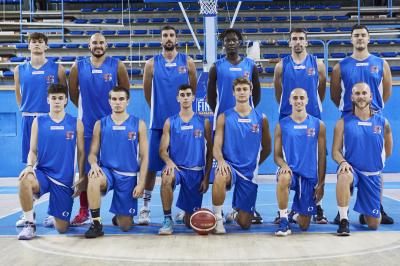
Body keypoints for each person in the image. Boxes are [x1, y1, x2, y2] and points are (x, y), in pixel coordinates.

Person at [330, 24, 393, 224]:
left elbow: (387, 93)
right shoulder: (341, 66)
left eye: (363, 35)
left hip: (372, 117)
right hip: (350, 118)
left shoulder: (381, 63)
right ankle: (343, 210)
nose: (359, 38)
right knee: (347, 164)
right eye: (356, 35)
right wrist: (349, 111)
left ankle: (376, 207)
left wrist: (373, 108)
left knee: (375, 166)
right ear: (351, 39)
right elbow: (334, 95)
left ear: (368, 39)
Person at [69, 33, 130, 226]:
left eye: (101, 42)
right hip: (87, 125)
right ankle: (84, 210)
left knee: (118, 167)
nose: (98, 45)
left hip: (112, 126)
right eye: (94, 42)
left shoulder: (117, 65)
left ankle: (119, 209)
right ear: (89, 46)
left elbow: (125, 92)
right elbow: (72, 93)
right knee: (87, 170)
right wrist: (85, 108)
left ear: (106, 44)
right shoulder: (78, 66)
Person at [141, 25, 197, 225]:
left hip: (182, 125)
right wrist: (158, 110)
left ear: (176, 38)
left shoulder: (187, 62)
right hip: (158, 123)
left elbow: (192, 88)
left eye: (171, 35)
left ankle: (183, 209)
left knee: (184, 167)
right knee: (150, 168)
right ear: (160, 39)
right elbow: (147, 91)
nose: (168, 38)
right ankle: (145, 208)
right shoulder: (151, 64)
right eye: (165, 35)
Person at [207, 28, 263, 224]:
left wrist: (247, 109)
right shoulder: (216, 66)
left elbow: (256, 95)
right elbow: (211, 97)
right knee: (221, 167)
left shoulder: (251, 65)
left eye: (234, 40)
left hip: (247, 123)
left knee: (249, 162)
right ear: (223, 44)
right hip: (225, 122)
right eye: (227, 41)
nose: (231, 43)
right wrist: (223, 115)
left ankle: (245, 207)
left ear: (240, 42)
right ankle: (218, 214)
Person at [273, 28, 328, 224]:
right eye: (294, 39)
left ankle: (317, 206)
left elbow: (321, 90)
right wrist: (291, 107)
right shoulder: (281, 65)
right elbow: (279, 93)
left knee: (314, 159)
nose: (297, 42)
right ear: (289, 43)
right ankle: (284, 210)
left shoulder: (318, 64)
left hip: (311, 114)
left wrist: (309, 107)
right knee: (287, 160)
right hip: (288, 115)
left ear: (306, 42)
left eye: (301, 39)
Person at [17, 84, 85, 240]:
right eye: (53, 98)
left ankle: (54, 215)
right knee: (24, 180)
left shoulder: (75, 123)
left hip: (64, 180)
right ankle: (30, 224)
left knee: (62, 228)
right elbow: (33, 150)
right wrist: (29, 166)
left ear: (66, 100)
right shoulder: (38, 122)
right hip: (44, 174)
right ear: (48, 100)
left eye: (60, 98)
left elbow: (81, 153)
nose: (57, 101)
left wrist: (81, 177)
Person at [14, 32, 67, 227]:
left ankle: (54, 212)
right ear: (28, 46)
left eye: (40, 42)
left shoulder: (57, 68)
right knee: (29, 164)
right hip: (29, 118)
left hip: (49, 120)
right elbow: (18, 94)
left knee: (53, 166)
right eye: (33, 42)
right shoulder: (20, 69)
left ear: (46, 46)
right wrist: (26, 110)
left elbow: (63, 94)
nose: (37, 45)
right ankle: (28, 212)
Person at [84, 86, 148, 238]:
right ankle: (96, 223)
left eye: (121, 99)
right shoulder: (100, 124)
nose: (117, 102)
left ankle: (120, 215)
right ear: (109, 101)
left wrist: (141, 183)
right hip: (107, 172)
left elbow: (144, 156)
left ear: (128, 101)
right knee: (93, 177)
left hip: (128, 175)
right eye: (114, 99)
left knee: (125, 226)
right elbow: (92, 154)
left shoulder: (138, 124)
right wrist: (93, 164)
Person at [332, 82, 392, 236]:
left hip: (371, 174)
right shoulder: (342, 122)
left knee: (373, 225)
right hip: (352, 170)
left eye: (364, 93)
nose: (361, 97)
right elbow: (335, 151)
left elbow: (388, 150)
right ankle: (344, 220)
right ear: (352, 97)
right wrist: (343, 162)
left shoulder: (383, 123)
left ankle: (365, 212)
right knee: (344, 176)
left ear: (371, 97)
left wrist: (376, 165)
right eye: (357, 94)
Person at [212, 78, 271, 234]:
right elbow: (216, 146)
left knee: (245, 224)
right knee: (219, 175)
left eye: (245, 89)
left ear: (251, 91)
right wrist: (220, 161)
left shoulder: (261, 118)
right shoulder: (224, 117)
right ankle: (217, 218)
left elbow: (267, 148)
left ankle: (235, 212)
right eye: (238, 89)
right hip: (229, 167)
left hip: (248, 173)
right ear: (233, 92)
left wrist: (256, 164)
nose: (242, 92)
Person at [158, 84, 212, 235]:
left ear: (193, 97)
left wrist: (206, 177)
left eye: (188, 94)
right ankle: (168, 219)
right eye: (182, 95)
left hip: (196, 172)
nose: (185, 97)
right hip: (177, 169)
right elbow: (162, 150)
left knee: (191, 223)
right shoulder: (170, 122)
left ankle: (184, 215)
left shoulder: (204, 122)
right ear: (178, 98)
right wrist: (169, 162)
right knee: (166, 177)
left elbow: (210, 152)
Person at [274, 88, 326, 236]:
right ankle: (284, 219)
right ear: (290, 101)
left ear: (307, 100)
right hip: (290, 172)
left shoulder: (318, 125)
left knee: (304, 225)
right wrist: (283, 165)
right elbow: (276, 155)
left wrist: (321, 184)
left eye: (301, 98)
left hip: (309, 176)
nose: (298, 101)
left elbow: (322, 156)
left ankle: (295, 214)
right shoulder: (282, 125)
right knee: (283, 177)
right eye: (295, 98)